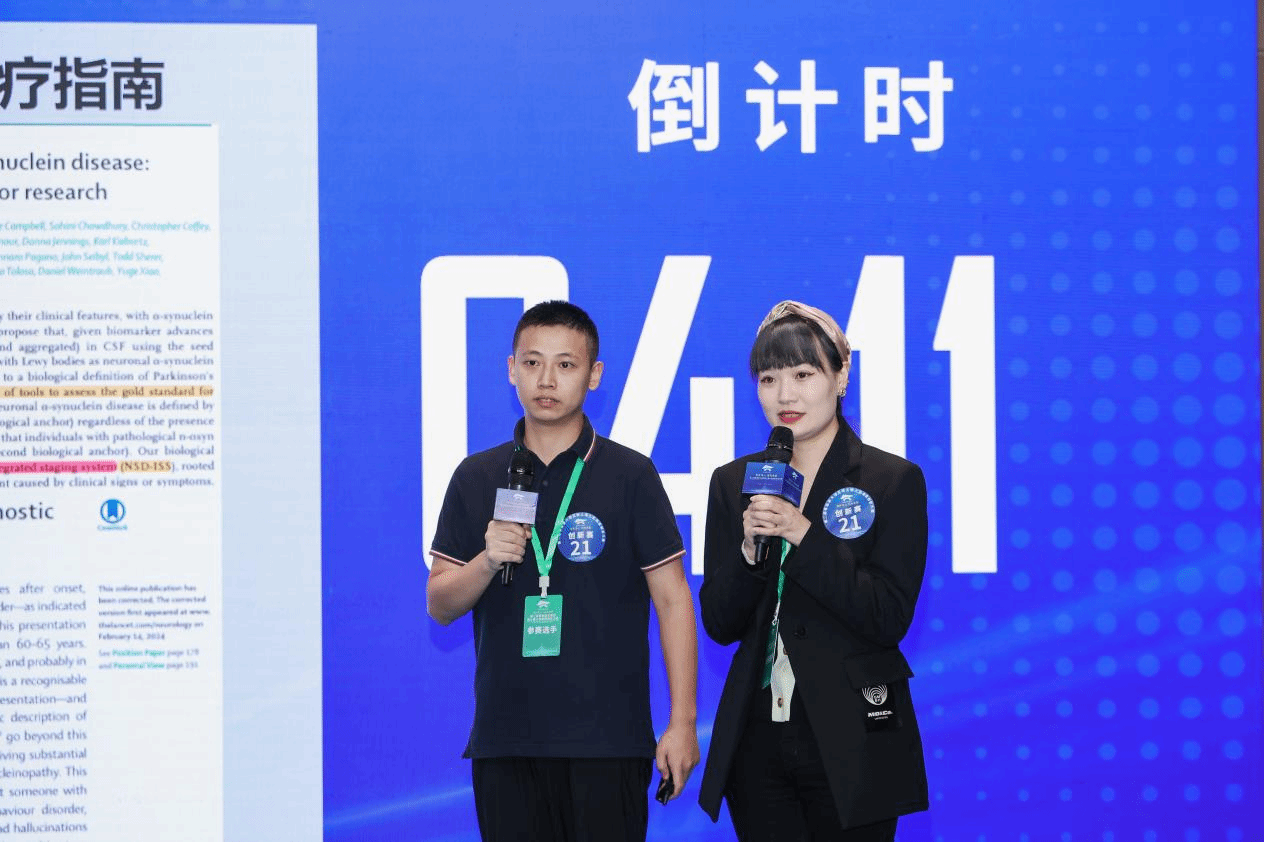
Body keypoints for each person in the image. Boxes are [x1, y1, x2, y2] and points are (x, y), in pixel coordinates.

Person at [426, 300, 699, 842]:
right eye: (532, 363)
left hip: (608, 741)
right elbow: (440, 604)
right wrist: (487, 560)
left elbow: (672, 601)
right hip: (506, 743)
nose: (546, 380)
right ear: (511, 370)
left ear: (594, 375)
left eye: (566, 364)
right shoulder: (477, 476)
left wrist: (683, 723)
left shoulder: (630, 475)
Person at [697, 301, 929, 841]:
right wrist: (750, 552)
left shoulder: (890, 480)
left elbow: (887, 616)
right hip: (757, 738)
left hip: (855, 735)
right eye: (768, 379)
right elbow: (720, 623)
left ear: (841, 376)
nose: (785, 395)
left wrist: (804, 535)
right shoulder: (734, 482)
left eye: (803, 375)